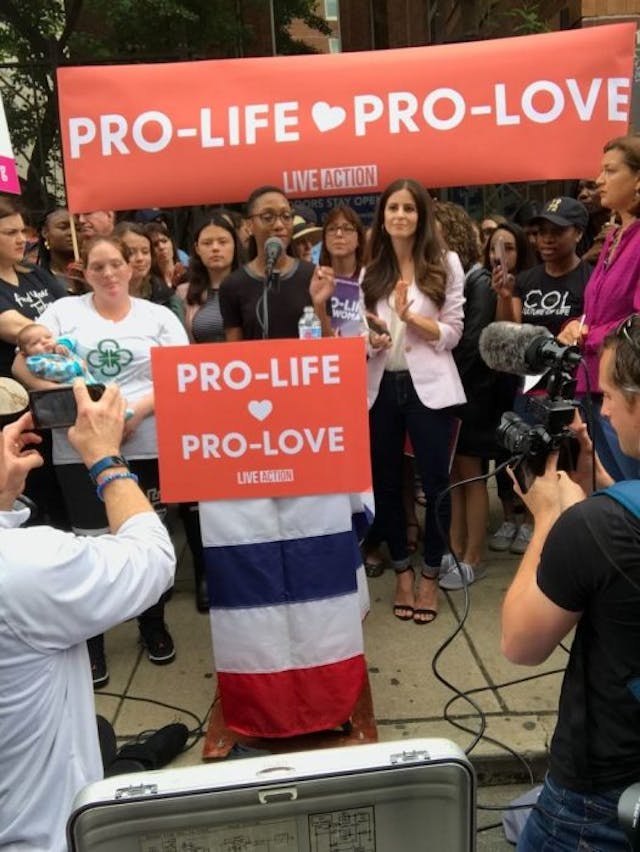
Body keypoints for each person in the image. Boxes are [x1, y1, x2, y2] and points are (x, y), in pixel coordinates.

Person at [0, 382, 177, 852]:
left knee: (99, 734)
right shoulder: (25, 565)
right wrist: (104, 457)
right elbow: (153, 559)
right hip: (42, 835)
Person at [12, 235, 189, 687]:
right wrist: (78, 400)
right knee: (89, 540)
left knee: (147, 533)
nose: (108, 274)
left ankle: (153, 623)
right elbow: (22, 366)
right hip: (80, 447)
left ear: (132, 268)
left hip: (144, 442)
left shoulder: (159, 317)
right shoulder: (63, 314)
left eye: (116, 265)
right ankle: (92, 641)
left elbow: (180, 374)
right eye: (97, 267)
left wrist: (134, 414)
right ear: (83, 272)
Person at [501, 314, 640, 851]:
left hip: (600, 798)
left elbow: (521, 642)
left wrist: (546, 523)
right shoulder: (612, 517)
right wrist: (599, 483)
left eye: (607, 395)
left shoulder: (599, 527)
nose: (601, 409)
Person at [362, 178, 465, 624]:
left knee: (436, 484)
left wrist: (411, 318)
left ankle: (429, 574)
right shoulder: (372, 272)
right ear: (382, 218)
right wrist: (373, 338)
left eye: (408, 208)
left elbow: (453, 334)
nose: (400, 215)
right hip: (382, 386)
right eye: (392, 209)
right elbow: (359, 340)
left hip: (430, 389)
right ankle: (401, 570)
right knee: (385, 483)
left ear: (420, 216)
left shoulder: (446, 264)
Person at [558, 134, 640, 482]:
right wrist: (576, 324)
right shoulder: (613, 236)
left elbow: (636, 322)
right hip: (595, 383)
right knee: (614, 488)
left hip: (626, 389)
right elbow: (600, 310)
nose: (599, 180)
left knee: (631, 488)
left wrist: (589, 335)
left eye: (610, 170)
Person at [434, 200, 498, 588]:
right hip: (452, 390)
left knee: (471, 474)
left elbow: (472, 342)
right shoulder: (453, 278)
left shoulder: (480, 280)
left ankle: (475, 553)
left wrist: (448, 382)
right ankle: (455, 548)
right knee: (454, 473)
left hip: (470, 391)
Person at [220, 185, 334, 341]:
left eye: (286, 216)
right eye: (268, 217)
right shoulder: (233, 285)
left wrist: (319, 304)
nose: (279, 225)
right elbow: (234, 356)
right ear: (249, 226)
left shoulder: (312, 275)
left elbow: (329, 347)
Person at [484, 222, 537, 554]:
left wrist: (506, 295)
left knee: (526, 452)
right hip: (493, 381)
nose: (499, 255)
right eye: (493, 248)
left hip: (525, 383)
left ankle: (530, 519)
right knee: (502, 451)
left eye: (508, 248)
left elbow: (512, 330)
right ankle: (507, 516)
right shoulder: (479, 281)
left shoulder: (530, 282)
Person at [177, 212, 243, 343]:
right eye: (207, 243)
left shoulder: (252, 286)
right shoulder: (183, 293)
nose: (215, 248)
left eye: (222, 242)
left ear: (235, 245)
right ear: (197, 249)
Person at [113, 221, 184, 322]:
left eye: (145, 252)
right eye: (131, 252)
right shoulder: (97, 297)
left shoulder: (168, 299)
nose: (140, 258)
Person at [146, 220, 188, 289]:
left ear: (171, 243)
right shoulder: (148, 283)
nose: (161, 247)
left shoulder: (188, 273)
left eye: (164, 241)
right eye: (155, 244)